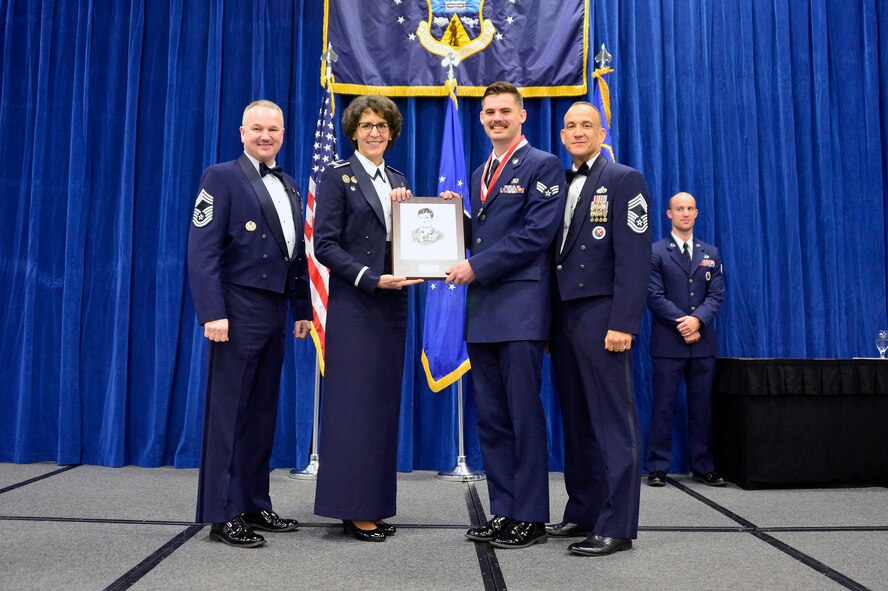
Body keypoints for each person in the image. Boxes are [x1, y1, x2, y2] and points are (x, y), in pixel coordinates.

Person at [442, 81, 564, 549]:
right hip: (484, 311)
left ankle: (530, 516)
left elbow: (536, 235)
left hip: (521, 310)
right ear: (481, 118)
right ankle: (505, 510)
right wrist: (456, 219)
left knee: (523, 415)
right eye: (489, 112)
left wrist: (476, 266)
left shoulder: (542, 165)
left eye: (504, 111)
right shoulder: (480, 172)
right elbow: (488, 235)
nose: (496, 118)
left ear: (521, 116)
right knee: (492, 418)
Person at [187, 100, 312, 548]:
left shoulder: (290, 184)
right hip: (236, 309)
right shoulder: (220, 177)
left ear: (283, 134)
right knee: (228, 414)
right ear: (242, 132)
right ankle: (222, 513)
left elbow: (294, 253)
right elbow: (202, 250)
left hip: (275, 309)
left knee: (261, 413)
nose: (265, 136)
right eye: (257, 128)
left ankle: (255, 502)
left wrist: (302, 308)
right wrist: (212, 312)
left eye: (273, 129)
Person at [313, 95, 422, 542]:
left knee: (380, 407)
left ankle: (373, 503)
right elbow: (324, 244)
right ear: (353, 132)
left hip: (393, 304)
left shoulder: (398, 179)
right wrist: (369, 278)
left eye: (382, 125)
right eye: (366, 125)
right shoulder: (337, 176)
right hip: (357, 303)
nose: (374, 132)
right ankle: (351, 507)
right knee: (353, 408)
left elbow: (407, 240)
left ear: (392, 133)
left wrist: (413, 218)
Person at [546, 101, 651, 556]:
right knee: (577, 420)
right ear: (562, 135)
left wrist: (623, 322)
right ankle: (583, 510)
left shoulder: (624, 179)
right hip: (564, 316)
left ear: (602, 132)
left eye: (586, 125)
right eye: (570, 126)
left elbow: (635, 259)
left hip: (604, 316)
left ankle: (617, 525)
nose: (577, 132)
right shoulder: (557, 182)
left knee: (611, 421)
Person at [646, 192, 726, 488]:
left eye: (690, 208)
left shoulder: (710, 253)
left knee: (702, 407)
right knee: (663, 406)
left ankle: (703, 465)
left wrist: (698, 321)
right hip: (669, 342)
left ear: (696, 213)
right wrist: (685, 323)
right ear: (669, 214)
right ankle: (658, 466)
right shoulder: (656, 252)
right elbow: (654, 296)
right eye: (679, 209)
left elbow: (716, 295)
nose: (685, 213)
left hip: (702, 343)